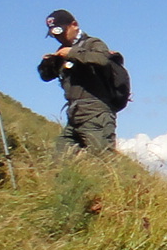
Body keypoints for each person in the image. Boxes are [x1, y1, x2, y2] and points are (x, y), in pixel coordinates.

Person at [36, 9, 127, 152]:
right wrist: (49, 64)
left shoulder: (92, 43)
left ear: (74, 25)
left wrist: (72, 53)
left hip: (96, 114)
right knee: (60, 160)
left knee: (103, 161)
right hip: (74, 116)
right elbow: (45, 76)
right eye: (55, 35)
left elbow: (102, 60)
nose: (59, 38)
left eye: (61, 32)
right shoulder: (62, 51)